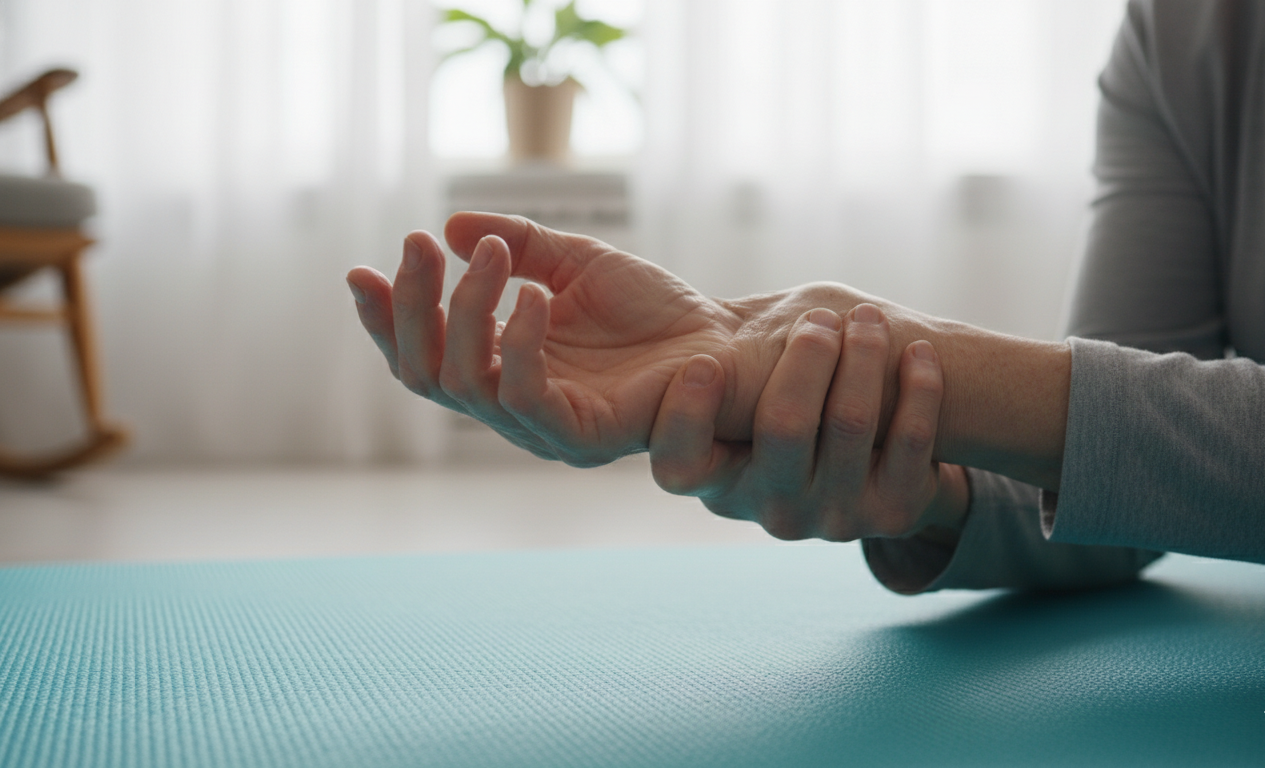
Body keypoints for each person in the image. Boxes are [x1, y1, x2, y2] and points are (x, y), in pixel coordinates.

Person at [346, 0, 1265, 593]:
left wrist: (921, 366)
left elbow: (1110, 442)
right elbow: (1125, 484)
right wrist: (916, 475)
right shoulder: (1180, 31)